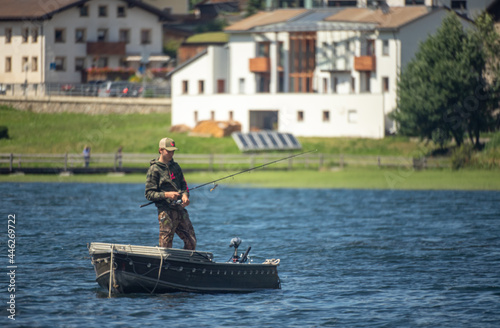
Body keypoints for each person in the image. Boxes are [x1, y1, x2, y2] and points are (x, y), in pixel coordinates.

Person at [145, 137, 196, 250]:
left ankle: (186, 264)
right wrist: (167, 195)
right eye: (168, 151)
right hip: (166, 212)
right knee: (166, 246)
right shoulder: (154, 169)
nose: (171, 153)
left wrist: (185, 195)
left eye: (173, 151)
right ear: (161, 150)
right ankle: (164, 266)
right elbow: (149, 194)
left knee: (191, 241)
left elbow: (184, 185)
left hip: (180, 210)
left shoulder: (176, 167)